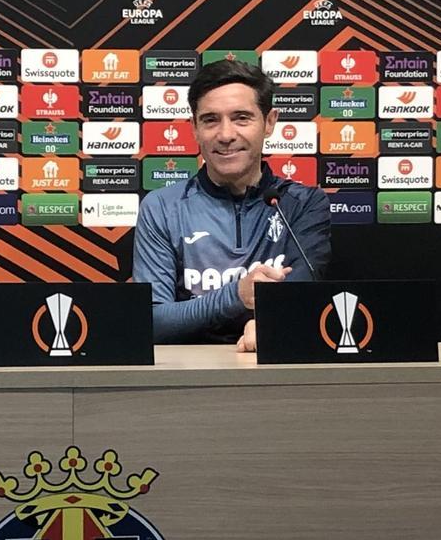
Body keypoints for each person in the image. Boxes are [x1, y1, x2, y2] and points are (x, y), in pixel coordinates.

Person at [132, 60, 331, 352]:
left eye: (241, 118)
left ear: (270, 122)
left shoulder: (303, 205)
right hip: (183, 381)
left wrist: (269, 322)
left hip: (279, 378)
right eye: (211, 120)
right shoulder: (162, 207)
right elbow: (152, 322)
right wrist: (236, 296)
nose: (225, 135)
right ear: (194, 128)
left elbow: (302, 303)